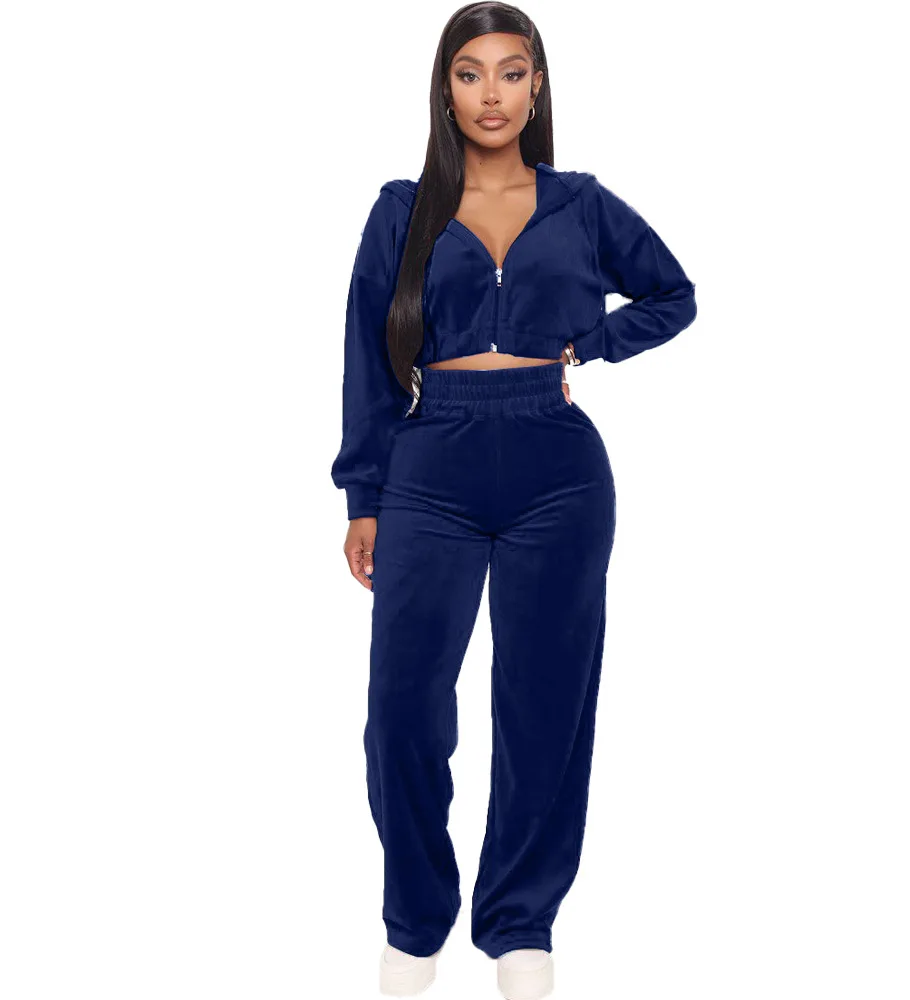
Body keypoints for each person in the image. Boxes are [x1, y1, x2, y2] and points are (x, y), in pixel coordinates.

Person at [330, 5, 697, 998]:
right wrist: (364, 493)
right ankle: (415, 921)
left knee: (544, 705)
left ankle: (520, 922)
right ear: (445, 90)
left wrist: (593, 344)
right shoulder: (401, 209)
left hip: (556, 467)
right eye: (469, 73)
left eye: (510, 72)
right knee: (403, 709)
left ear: (536, 88)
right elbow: (365, 352)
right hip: (429, 464)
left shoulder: (581, 204)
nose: (490, 93)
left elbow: (672, 294)